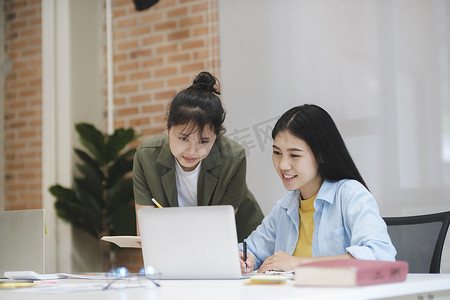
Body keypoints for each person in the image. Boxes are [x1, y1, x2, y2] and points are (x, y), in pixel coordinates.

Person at [239, 104, 396, 273]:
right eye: (277, 153)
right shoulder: (285, 207)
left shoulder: (351, 195)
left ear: (321, 155)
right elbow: (252, 249)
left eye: (294, 155)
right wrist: (244, 257)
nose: (283, 165)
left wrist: (299, 263)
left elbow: (380, 256)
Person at [133, 71, 264, 242]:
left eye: (203, 141)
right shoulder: (146, 156)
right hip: (177, 244)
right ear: (167, 127)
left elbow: (222, 228)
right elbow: (145, 232)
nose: (192, 151)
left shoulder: (233, 158)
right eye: (183, 138)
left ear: (217, 136)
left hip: (238, 241)